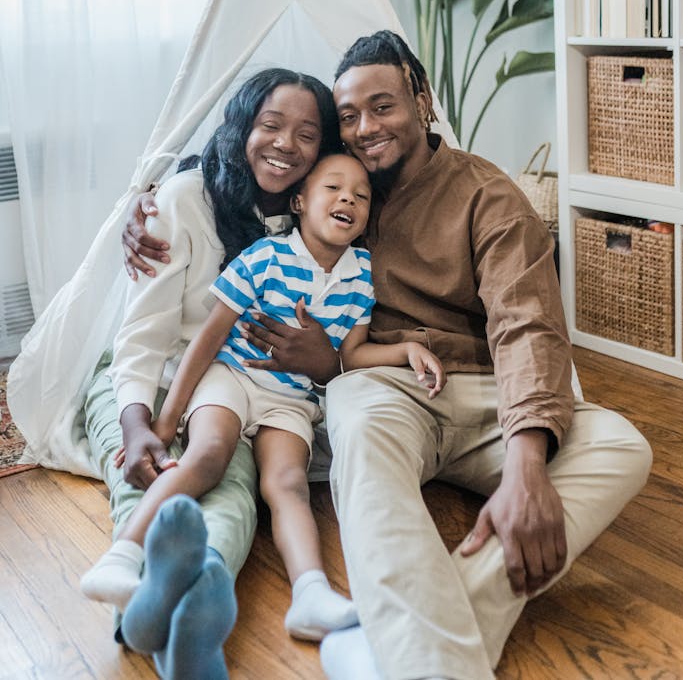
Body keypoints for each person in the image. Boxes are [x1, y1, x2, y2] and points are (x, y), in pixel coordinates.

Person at [127, 31, 653, 680]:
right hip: (387, 382)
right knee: (361, 425)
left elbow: (526, 327)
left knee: (622, 445)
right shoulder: (339, 189)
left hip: (487, 393)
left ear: (423, 99)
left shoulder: (488, 196)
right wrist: (151, 195)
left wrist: (526, 463)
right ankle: (428, 661)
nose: (366, 129)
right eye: (348, 118)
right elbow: (243, 177)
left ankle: (394, 647)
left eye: (383, 107)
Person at [83, 151, 443, 647]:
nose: (348, 199)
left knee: (289, 484)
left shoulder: (362, 271)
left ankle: (310, 595)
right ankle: (121, 556)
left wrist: (404, 349)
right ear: (299, 201)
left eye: (361, 196)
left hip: (290, 400)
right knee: (207, 455)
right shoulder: (266, 257)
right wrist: (167, 421)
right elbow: (209, 339)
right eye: (333, 189)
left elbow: (352, 353)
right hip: (231, 376)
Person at [81, 67, 343, 680]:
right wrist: (139, 422)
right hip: (145, 380)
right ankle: (131, 580)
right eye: (270, 125)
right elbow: (140, 338)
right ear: (242, 125)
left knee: (230, 493)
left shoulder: (315, 222)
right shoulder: (183, 200)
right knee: (148, 471)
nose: (285, 145)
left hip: (234, 389)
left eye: (307, 134)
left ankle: (190, 605)